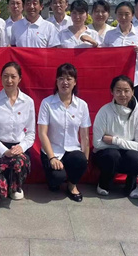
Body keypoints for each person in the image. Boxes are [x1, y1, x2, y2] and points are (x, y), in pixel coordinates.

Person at [0, 62, 35, 203]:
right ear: (1, 78)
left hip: (18, 149)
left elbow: (31, 133)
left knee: (17, 162)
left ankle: (15, 185)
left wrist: (21, 147)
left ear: (20, 79)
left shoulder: (28, 102)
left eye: (13, 76)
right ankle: (5, 183)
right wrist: (4, 151)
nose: (9, 80)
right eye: (5, 76)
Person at [38, 63, 90, 202]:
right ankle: (54, 180)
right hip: (52, 151)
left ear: (75, 82)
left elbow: (84, 136)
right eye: (61, 78)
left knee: (80, 160)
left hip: (72, 150)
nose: (64, 82)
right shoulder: (47, 103)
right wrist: (52, 158)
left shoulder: (82, 105)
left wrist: (85, 160)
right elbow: (42, 133)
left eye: (68, 79)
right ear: (56, 81)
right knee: (57, 178)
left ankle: (72, 185)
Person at [92, 75, 138, 198]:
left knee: (134, 157)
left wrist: (115, 140)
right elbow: (97, 143)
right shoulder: (104, 111)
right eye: (118, 91)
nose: (123, 95)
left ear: (132, 91)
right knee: (112, 155)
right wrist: (126, 145)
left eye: (126, 91)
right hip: (107, 154)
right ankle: (104, 184)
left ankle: (131, 186)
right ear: (112, 92)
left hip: (126, 153)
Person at [103, 2, 138, 108]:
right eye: (120, 14)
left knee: (135, 111)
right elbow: (104, 56)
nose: (123, 17)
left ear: (132, 15)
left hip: (135, 81)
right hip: (115, 81)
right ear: (116, 15)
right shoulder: (110, 35)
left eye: (127, 14)